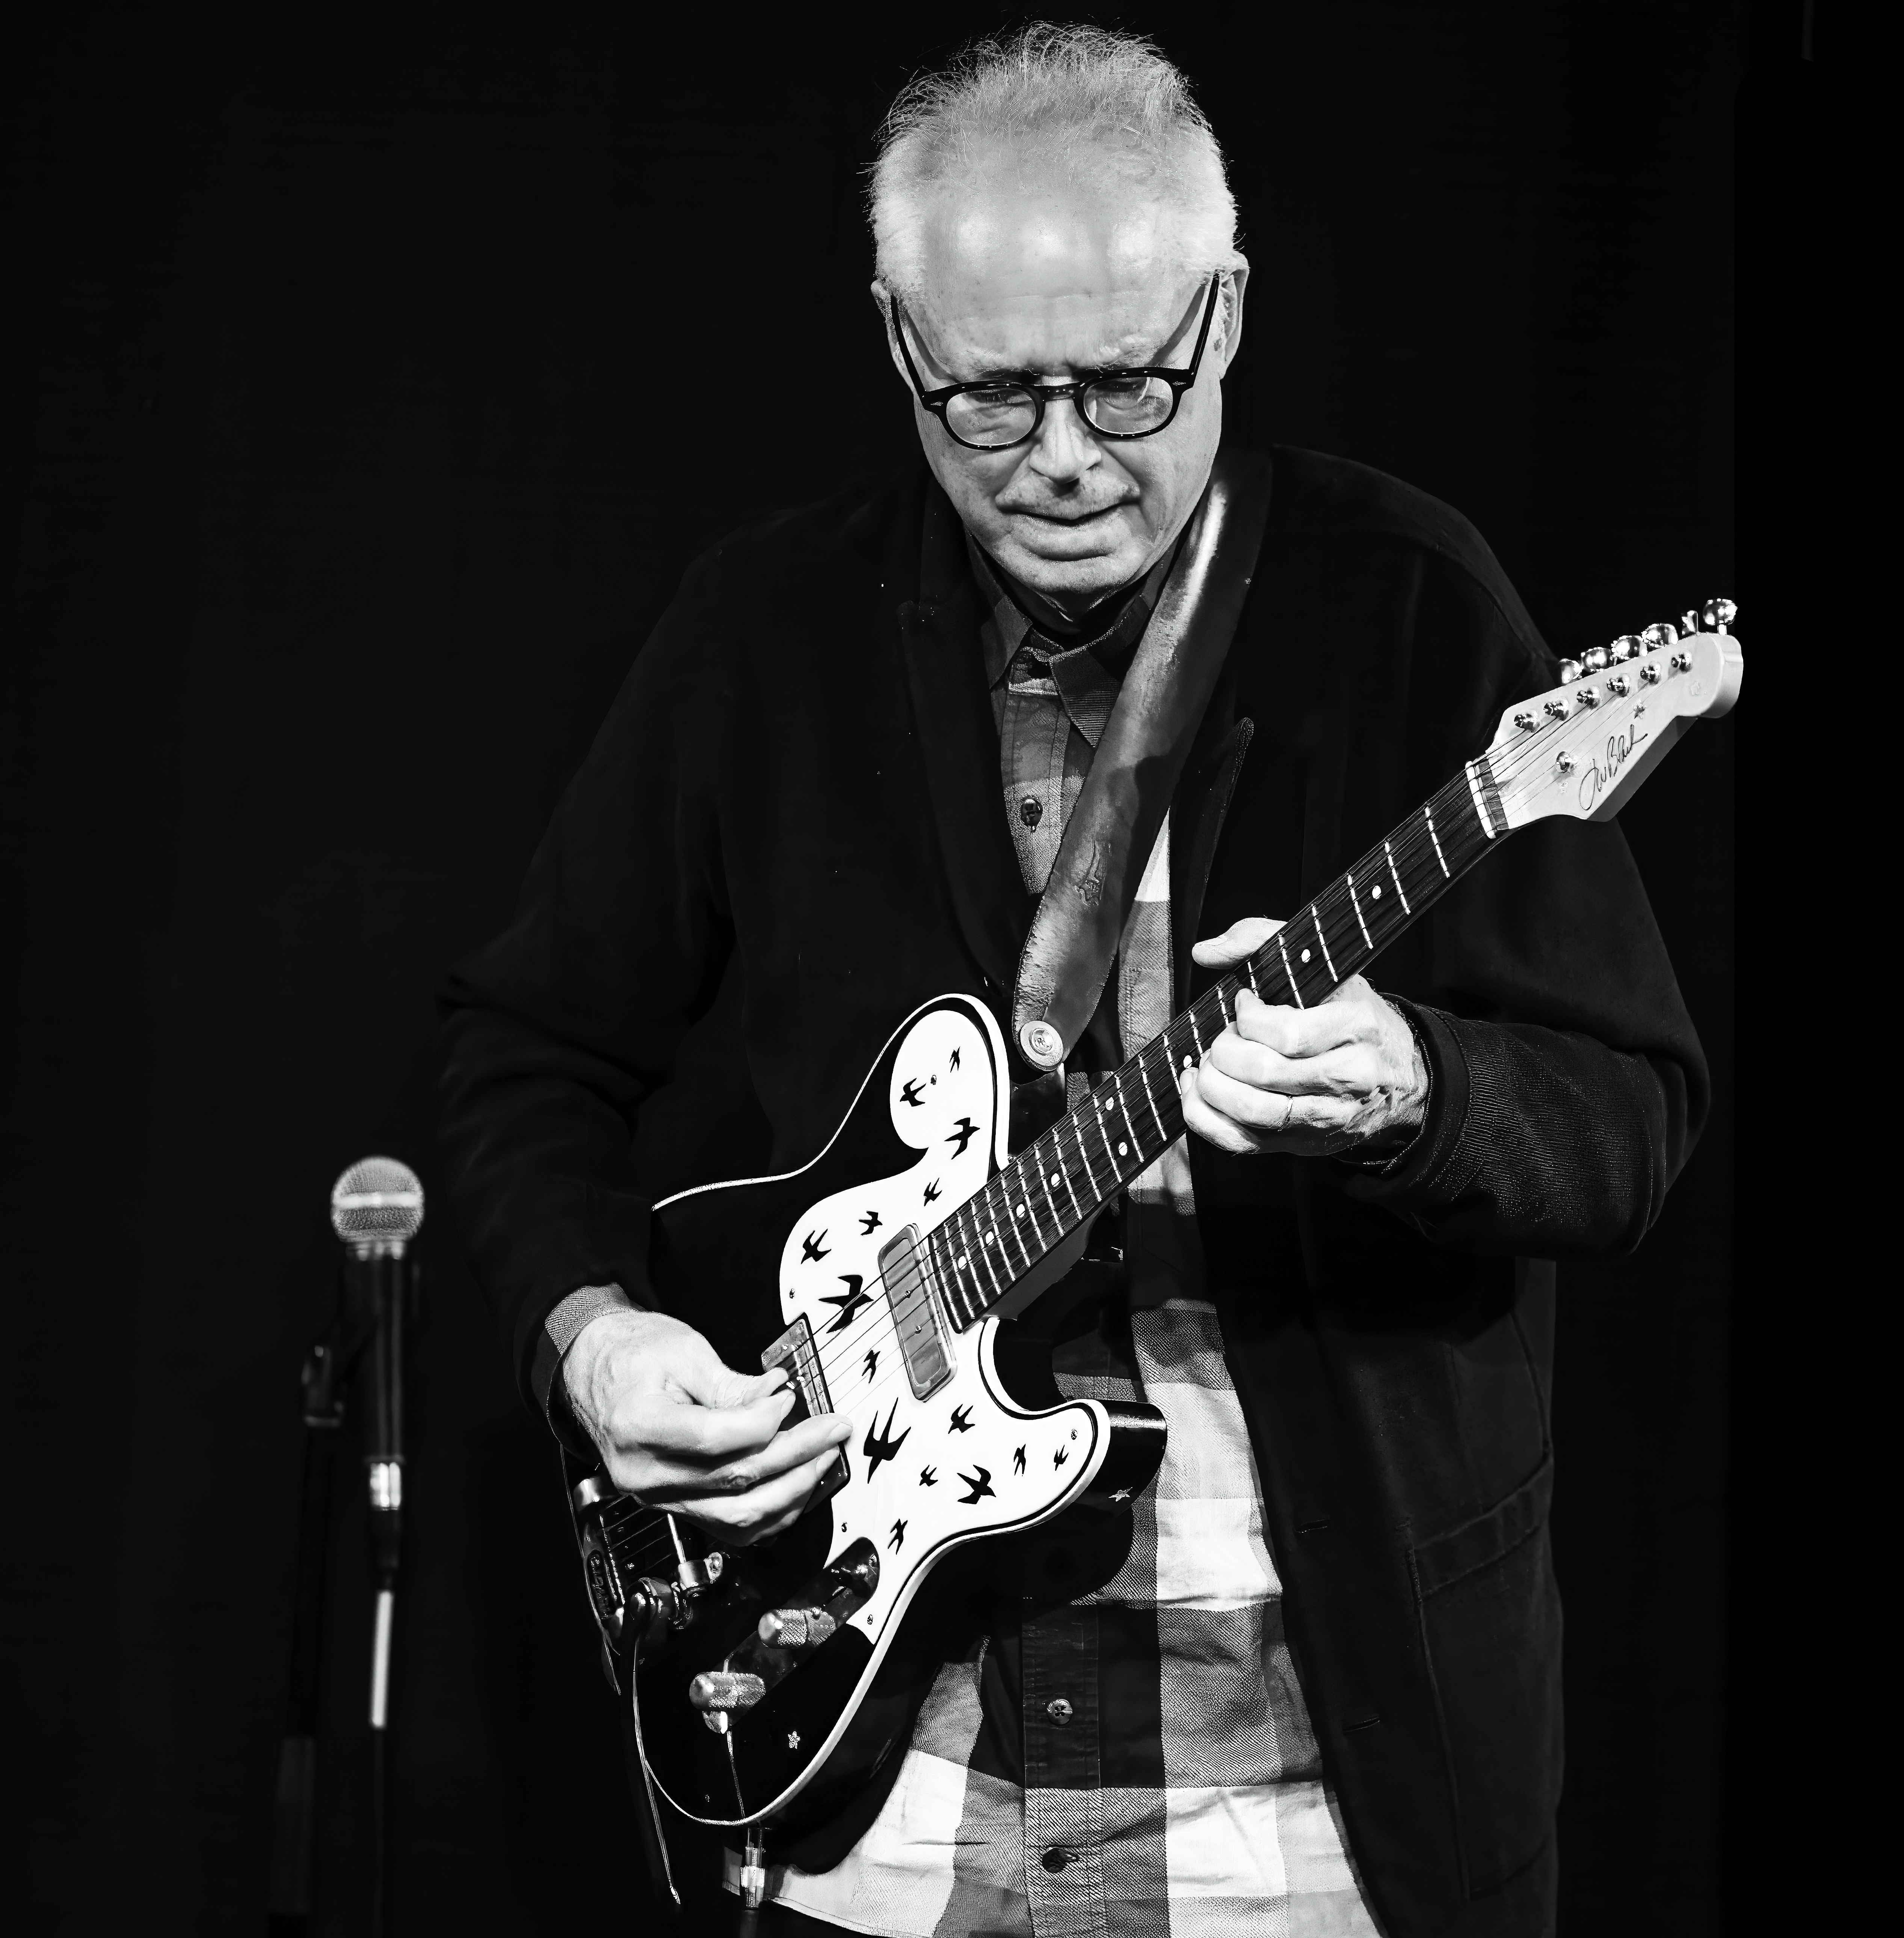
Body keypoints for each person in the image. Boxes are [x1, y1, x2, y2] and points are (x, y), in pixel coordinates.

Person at [438, 24, 1706, 1938]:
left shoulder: (1412, 607)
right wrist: (589, 1331)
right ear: (893, 342)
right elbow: (524, 1050)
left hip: (1303, 1815)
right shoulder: (762, 636)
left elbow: (1630, 1123)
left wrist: (1416, 1091)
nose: (1059, 460)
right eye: (988, 397)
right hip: (884, 1788)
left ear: (1228, 309)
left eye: (1124, 386)